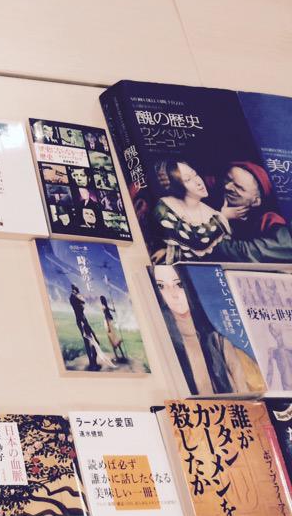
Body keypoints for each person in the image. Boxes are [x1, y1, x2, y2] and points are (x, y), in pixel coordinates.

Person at [152, 264, 264, 394]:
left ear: (188, 285)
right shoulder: (162, 342)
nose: (173, 295)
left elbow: (246, 395)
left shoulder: (219, 342)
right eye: (161, 286)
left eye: (179, 284)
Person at [152, 159, 246, 263]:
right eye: (188, 179)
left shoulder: (209, 211)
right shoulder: (165, 207)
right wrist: (223, 217)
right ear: (176, 186)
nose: (198, 182)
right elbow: (196, 240)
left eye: (195, 175)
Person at [223, 161, 286, 241]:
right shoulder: (211, 192)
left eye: (238, 187)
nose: (227, 187)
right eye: (228, 179)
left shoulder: (263, 222)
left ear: (255, 202)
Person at [69, 285, 99, 370]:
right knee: (89, 342)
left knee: (91, 342)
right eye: (77, 290)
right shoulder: (74, 297)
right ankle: (92, 363)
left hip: (83, 320)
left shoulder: (74, 297)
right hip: (82, 321)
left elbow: (82, 303)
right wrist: (79, 296)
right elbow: (83, 302)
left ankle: (92, 362)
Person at [100, 295, 126, 361]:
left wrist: (108, 327)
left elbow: (108, 314)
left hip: (108, 323)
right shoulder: (105, 307)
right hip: (109, 323)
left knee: (112, 339)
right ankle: (121, 355)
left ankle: (117, 356)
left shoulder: (104, 307)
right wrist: (113, 306)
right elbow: (112, 312)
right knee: (114, 338)